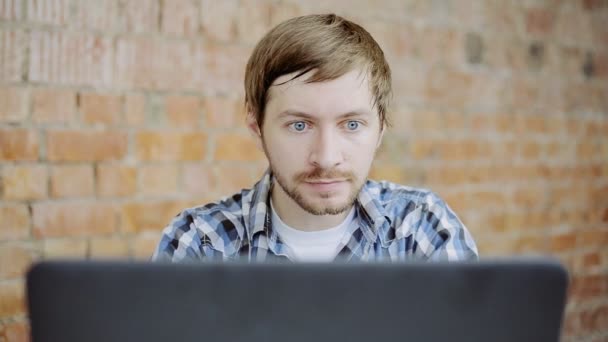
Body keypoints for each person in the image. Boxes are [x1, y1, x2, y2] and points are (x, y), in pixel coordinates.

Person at [152, 14, 478, 263]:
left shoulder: (421, 227)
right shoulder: (200, 242)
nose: (325, 158)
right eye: (299, 126)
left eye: (351, 125)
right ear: (256, 126)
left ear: (381, 128)